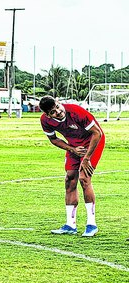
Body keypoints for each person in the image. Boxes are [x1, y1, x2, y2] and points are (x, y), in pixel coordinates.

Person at [39, 96, 105, 237]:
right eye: (53, 111)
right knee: (69, 179)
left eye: (57, 106)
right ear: (47, 115)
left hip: (93, 142)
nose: (58, 111)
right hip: (74, 145)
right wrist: (71, 149)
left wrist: (86, 158)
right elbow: (54, 139)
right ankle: (70, 225)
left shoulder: (76, 112)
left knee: (84, 178)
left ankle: (91, 224)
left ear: (59, 102)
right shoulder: (45, 121)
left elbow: (97, 133)